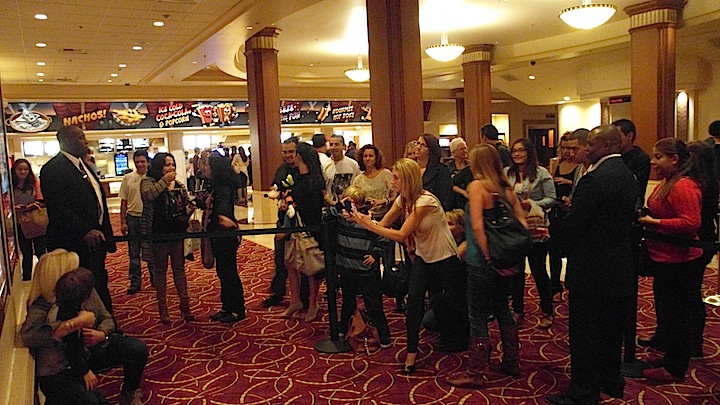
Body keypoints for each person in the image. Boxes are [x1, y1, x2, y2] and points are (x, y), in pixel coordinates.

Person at [546, 125, 638, 405]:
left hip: (592, 267)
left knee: (585, 332)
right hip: (619, 264)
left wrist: (558, 243)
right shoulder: (627, 174)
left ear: (609, 145)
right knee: (611, 330)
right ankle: (610, 379)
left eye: (592, 145)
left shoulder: (595, 178)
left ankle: (584, 390)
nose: (586, 149)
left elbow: (578, 222)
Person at [352, 158, 461, 375]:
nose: (392, 181)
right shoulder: (404, 199)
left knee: (450, 303)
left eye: (396, 177)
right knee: (414, 304)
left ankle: (458, 339)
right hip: (423, 257)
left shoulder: (425, 202)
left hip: (445, 258)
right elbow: (383, 224)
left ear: (408, 179)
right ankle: (412, 351)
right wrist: (360, 218)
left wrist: (367, 223)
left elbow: (402, 234)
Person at [22, 249, 148, 405]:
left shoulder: (83, 288)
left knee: (137, 349)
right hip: (66, 365)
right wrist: (72, 324)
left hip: (89, 351)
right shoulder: (42, 305)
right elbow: (29, 336)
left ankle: (129, 393)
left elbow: (107, 318)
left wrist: (101, 334)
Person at [447, 144, 525, 389]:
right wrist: (506, 258)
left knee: (477, 316)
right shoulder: (506, 189)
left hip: (482, 262)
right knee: (503, 309)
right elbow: (521, 225)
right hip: (506, 262)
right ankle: (512, 361)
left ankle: (476, 371)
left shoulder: (477, 186)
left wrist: (489, 258)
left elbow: (478, 227)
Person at [636, 138, 705, 384]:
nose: (652, 162)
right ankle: (670, 357)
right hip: (665, 258)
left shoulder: (683, 185)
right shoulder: (670, 182)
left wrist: (655, 224)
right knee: (668, 314)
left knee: (678, 317)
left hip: (681, 261)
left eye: (658, 157)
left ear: (674, 159)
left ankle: (675, 367)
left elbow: (690, 223)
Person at [41, 125, 116, 313]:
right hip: (74, 243)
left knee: (98, 282)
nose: (86, 141)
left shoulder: (84, 166)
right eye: (81, 137)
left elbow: (97, 200)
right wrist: (85, 230)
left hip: (95, 242)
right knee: (79, 290)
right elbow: (59, 209)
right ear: (66, 141)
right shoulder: (53, 169)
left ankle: (106, 324)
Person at [329, 186, 392, 348]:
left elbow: (384, 237)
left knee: (373, 304)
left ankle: (384, 336)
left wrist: (375, 255)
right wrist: (338, 206)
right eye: (347, 205)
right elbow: (325, 217)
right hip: (347, 268)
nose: (349, 209)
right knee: (347, 302)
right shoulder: (340, 218)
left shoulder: (366, 221)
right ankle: (343, 329)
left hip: (365, 271)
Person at [505, 138, 557, 328]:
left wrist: (532, 204)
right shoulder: (506, 173)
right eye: (514, 151)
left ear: (529, 152)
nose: (517, 154)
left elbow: (551, 199)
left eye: (521, 150)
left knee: (539, 271)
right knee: (516, 273)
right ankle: (517, 309)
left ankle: (547, 310)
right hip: (514, 229)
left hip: (536, 228)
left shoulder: (541, 173)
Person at [141, 153, 195, 324]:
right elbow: (148, 196)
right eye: (167, 165)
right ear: (159, 167)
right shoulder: (148, 181)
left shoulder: (178, 185)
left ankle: (185, 306)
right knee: (160, 271)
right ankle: (163, 310)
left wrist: (190, 210)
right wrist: (164, 181)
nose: (171, 168)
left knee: (179, 270)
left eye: (173, 165)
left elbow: (187, 204)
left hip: (176, 233)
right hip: (158, 233)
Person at [277, 142, 326, 322]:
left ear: (301, 156)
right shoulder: (297, 176)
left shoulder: (314, 180)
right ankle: (295, 300)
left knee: (311, 269)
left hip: (309, 228)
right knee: (290, 263)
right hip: (296, 227)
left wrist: (292, 202)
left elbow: (312, 207)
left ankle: (313, 304)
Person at [261, 138, 310, 309]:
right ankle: (278, 292)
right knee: (281, 258)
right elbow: (277, 188)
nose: (288, 155)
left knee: (304, 260)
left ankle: (305, 297)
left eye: (291, 152)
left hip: (302, 221)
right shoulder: (282, 169)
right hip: (283, 219)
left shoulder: (304, 169)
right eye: (285, 152)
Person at [204, 156, 246, 323]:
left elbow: (222, 210)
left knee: (229, 272)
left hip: (225, 236)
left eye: (207, 165)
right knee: (223, 272)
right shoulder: (215, 185)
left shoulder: (222, 186)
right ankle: (227, 307)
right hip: (218, 234)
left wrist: (222, 218)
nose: (204, 168)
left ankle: (237, 310)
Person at [548, 134, 579, 300]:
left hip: (573, 211)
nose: (569, 152)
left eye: (572, 148)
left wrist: (568, 183)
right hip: (556, 210)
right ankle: (555, 286)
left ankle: (571, 285)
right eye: (565, 148)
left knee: (571, 251)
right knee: (554, 251)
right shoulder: (556, 163)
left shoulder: (581, 165)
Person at [119, 150, 153, 294]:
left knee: (151, 251)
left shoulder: (152, 178)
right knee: (133, 253)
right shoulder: (128, 178)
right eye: (137, 161)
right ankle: (135, 282)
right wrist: (122, 222)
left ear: (147, 162)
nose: (140, 164)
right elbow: (123, 201)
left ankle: (155, 279)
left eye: (142, 161)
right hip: (132, 218)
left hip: (149, 218)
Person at [12, 158, 47, 281]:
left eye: (25, 169)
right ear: (14, 170)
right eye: (20, 169)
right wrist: (13, 207)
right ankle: (26, 279)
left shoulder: (34, 183)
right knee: (26, 253)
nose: (23, 172)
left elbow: (41, 199)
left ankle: (44, 277)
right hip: (19, 222)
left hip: (36, 221)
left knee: (41, 251)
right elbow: (5, 203)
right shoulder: (10, 186)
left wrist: (31, 205)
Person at [613, 119, 651, 206]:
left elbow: (637, 187)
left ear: (629, 136)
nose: (614, 141)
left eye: (617, 136)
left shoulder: (640, 158)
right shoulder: (613, 155)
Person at [416, 134, 453, 211]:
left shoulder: (441, 171)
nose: (418, 147)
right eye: (418, 143)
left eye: (423, 145)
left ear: (431, 150)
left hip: (433, 212)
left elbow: (445, 199)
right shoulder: (410, 168)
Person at [324, 134, 361, 206]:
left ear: (344, 146)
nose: (333, 147)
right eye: (331, 144)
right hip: (331, 207)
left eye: (337, 144)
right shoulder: (324, 165)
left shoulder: (353, 164)